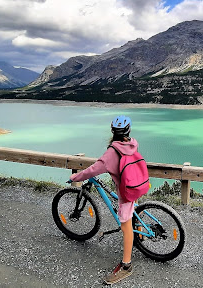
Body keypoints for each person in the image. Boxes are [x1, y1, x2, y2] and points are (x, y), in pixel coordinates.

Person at [70, 115, 138, 285]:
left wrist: (76, 177)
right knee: (131, 213)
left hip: (126, 193)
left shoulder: (112, 153)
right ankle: (140, 234)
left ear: (112, 131)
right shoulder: (131, 144)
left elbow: (92, 170)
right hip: (137, 184)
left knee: (125, 226)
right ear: (128, 131)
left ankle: (126, 265)